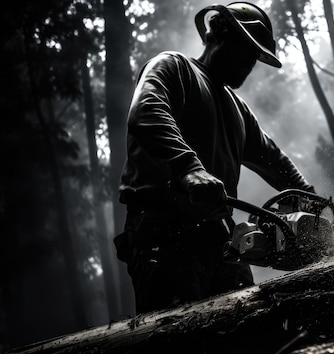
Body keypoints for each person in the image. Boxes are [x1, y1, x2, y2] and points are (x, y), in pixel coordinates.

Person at [114, 2, 316, 314]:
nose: (252, 61)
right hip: (163, 229)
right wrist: (189, 169)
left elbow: (275, 160)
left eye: (257, 55)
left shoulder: (238, 108)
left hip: (220, 239)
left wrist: (310, 201)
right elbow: (146, 111)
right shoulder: (175, 66)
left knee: (249, 324)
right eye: (248, 48)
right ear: (221, 31)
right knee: (173, 340)